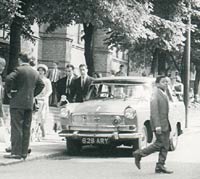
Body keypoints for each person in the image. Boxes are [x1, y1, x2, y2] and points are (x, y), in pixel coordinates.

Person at [4, 53, 44, 160]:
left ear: (19, 60)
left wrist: (10, 92)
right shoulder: (34, 72)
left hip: (17, 102)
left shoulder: (19, 70)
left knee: (16, 127)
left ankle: (16, 152)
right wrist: (32, 94)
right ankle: (23, 152)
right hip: (29, 103)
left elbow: (8, 79)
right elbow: (41, 84)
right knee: (26, 127)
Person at [133, 75, 173, 174]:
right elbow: (154, 111)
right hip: (160, 124)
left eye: (167, 82)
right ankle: (139, 153)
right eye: (164, 82)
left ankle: (160, 165)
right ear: (157, 83)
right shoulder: (155, 93)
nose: (166, 84)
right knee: (159, 144)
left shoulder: (164, 92)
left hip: (165, 124)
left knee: (165, 145)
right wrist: (157, 125)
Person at [36, 64, 52, 138]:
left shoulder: (47, 81)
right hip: (37, 99)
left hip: (44, 100)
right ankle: (36, 132)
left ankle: (43, 132)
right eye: (39, 70)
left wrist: (45, 96)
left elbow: (50, 91)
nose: (40, 72)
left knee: (43, 116)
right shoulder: (36, 79)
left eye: (42, 70)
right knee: (36, 116)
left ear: (45, 72)